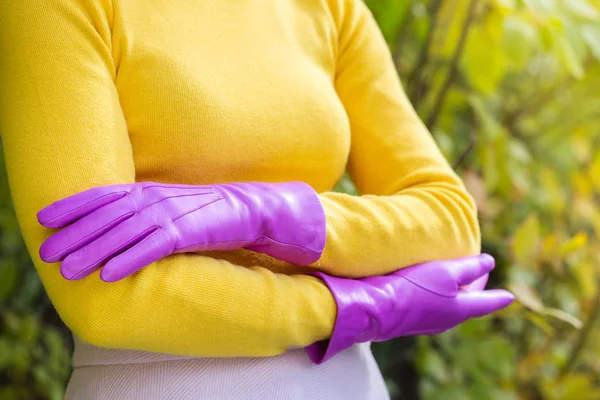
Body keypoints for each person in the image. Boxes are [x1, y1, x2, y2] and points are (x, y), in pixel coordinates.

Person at [0, 0, 513, 399]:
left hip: (347, 384)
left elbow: (449, 221)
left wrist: (266, 214)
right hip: (156, 380)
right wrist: (347, 307)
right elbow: (103, 295)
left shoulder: (330, 9)